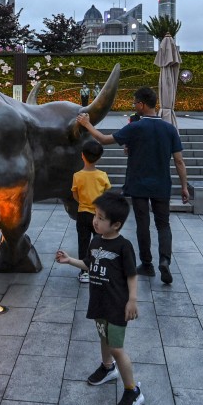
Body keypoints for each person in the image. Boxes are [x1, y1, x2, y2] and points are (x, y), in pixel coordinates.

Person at [77, 87, 190, 284]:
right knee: (163, 224)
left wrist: (86, 124)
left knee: (143, 224)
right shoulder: (169, 129)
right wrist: (184, 186)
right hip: (162, 184)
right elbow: (179, 161)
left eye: (135, 103)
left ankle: (147, 264)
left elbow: (104, 139)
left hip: (138, 184)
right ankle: (165, 259)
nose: (134, 107)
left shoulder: (135, 127)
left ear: (142, 104)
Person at [56, 192, 144, 405]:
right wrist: (70, 261)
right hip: (98, 302)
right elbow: (89, 264)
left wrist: (132, 300)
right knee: (103, 337)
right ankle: (107, 368)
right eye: (96, 215)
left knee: (116, 347)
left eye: (101, 218)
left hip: (117, 305)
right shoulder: (95, 241)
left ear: (116, 224)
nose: (95, 220)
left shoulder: (124, 247)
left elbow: (132, 275)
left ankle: (133, 391)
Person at [71, 140, 112, 283]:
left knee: (83, 243)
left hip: (83, 213)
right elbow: (107, 193)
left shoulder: (77, 176)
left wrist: (83, 202)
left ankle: (84, 272)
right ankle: (99, 269)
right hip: (99, 216)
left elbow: (75, 195)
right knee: (100, 242)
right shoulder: (102, 175)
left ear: (82, 156)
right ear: (99, 157)